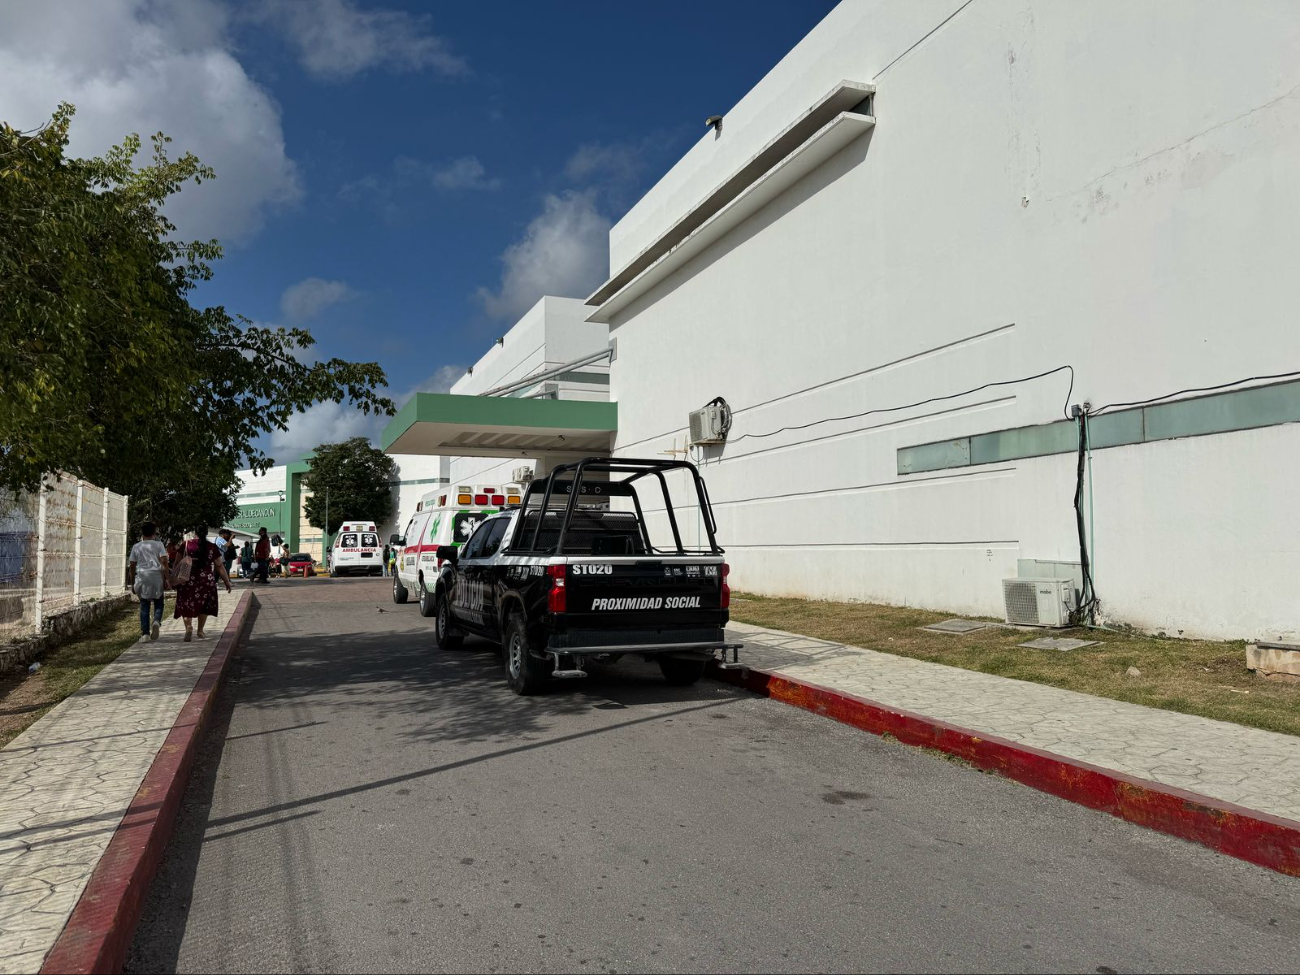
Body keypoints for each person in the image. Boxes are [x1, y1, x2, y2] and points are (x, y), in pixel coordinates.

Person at [173, 524, 231, 641]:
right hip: (206, 580)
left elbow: (177, 562)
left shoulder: (187, 544)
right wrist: (226, 581)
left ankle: (188, 627)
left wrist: (173, 577)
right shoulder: (211, 546)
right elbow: (219, 565)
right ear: (206, 533)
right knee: (204, 605)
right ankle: (200, 631)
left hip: (187, 578)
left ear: (195, 532)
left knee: (186, 603)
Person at [128, 522, 170, 641]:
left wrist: (132, 582)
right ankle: (156, 621)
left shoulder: (136, 546)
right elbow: (164, 562)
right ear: (154, 532)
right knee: (159, 602)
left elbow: (132, 564)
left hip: (142, 576)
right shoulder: (159, 544)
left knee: (144, 605)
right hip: (156, 575)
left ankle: (145, 634)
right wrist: (167, 579)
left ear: (142, 533)